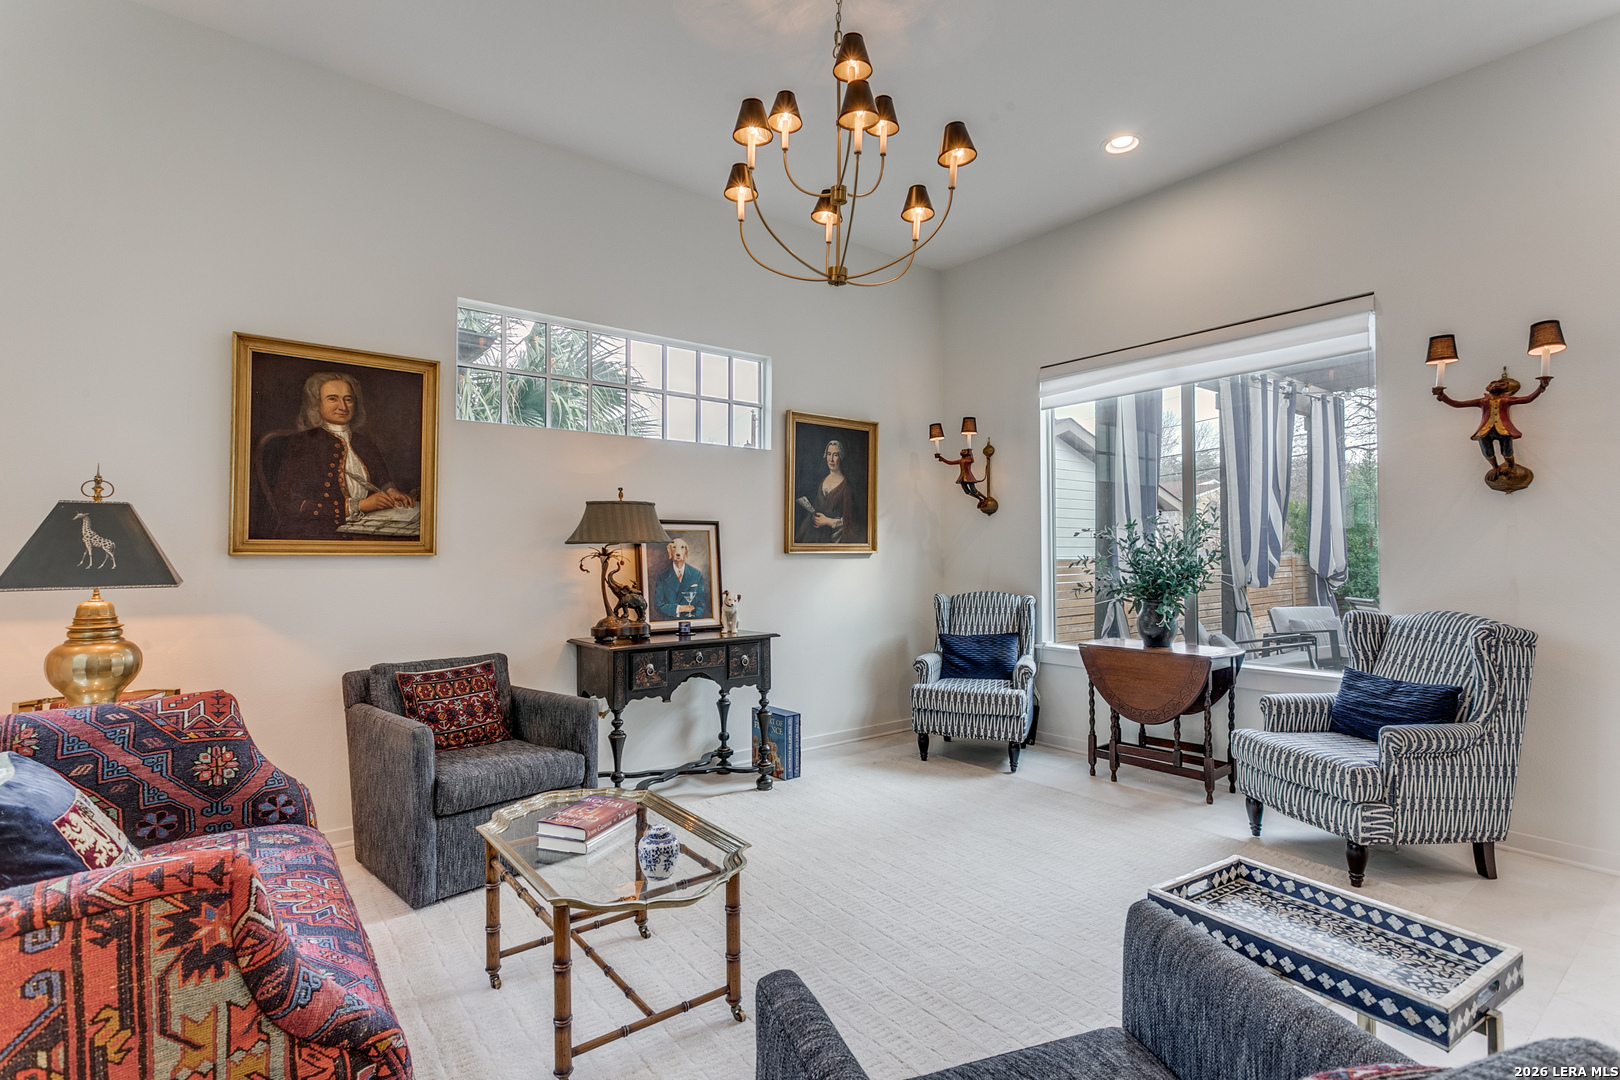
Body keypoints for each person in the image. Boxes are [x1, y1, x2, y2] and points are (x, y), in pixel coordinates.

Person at [268, 372, 415, 540]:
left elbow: (381, 478)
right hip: (317, 534)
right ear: (316, 403)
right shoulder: (303, 443)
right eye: (332, 399)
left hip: (365, 527)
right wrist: (358, 505)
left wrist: (391, 491)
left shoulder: (363, 442)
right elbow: (290, 504)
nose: (343, 407)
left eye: (348, 399)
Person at [1433, 367, 1551, 481]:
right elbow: (1458, 404)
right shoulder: (1483, 401)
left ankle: (1511, 466)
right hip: (1485, 430)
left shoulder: (1506, 400)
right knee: (1487, 451)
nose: (1494, 386)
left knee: (1507, 451)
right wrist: (1442, 396)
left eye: (1498, 385)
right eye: (1492, 385)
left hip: (1504, 429)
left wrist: (1541, 387)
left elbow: (1528, 399)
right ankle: (1495, 467)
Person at [795, 438, 861, 544]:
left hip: (832, 539)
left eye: (835, 455)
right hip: (817, 535)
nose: (831, 459)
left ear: (841, 457)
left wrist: (827, 521)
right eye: (829, 454)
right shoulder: (823, 481)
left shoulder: (846, 487)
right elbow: (816, 509)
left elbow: (850, 524)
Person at [652, 537, 708, 620]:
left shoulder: (696, 574)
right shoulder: (662, 576)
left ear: (686, 552)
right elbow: (658, 605)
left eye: (682, 547)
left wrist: (693, 619)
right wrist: (680, 608)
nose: (678, 552)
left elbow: (701, 605)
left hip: (692, 623)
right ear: (670, 552)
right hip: (670, 624)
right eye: (674, 547)